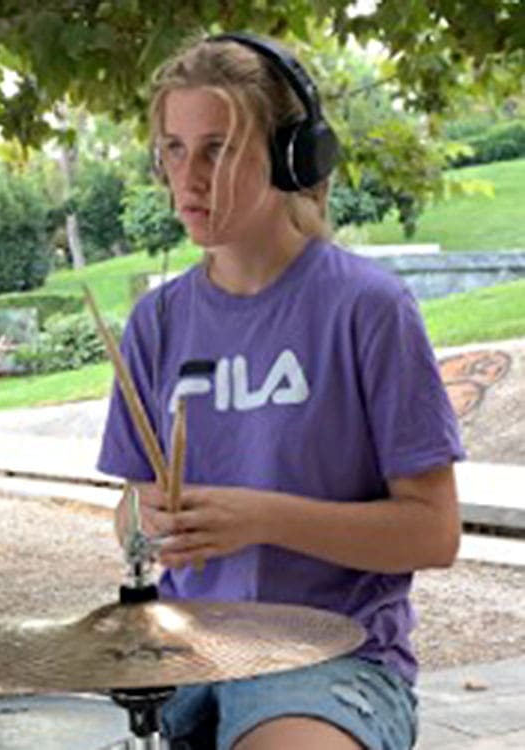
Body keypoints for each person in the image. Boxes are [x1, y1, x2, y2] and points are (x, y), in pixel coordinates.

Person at [97, 31, 464, 750]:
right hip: (184, 659)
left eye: (218, 149)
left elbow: (434, 530)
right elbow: (128, 512)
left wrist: (264, 518)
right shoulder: (154, 323)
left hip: (332, 661)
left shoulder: (368, 308)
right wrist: (145, 521)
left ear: (292, 157)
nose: (188, 178)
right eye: (173, 148)